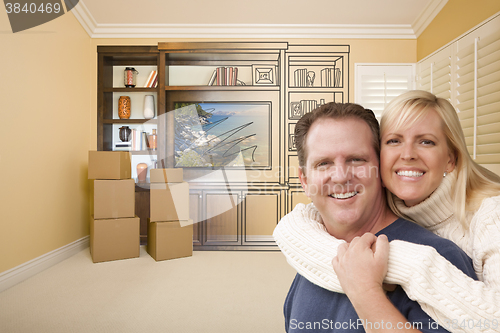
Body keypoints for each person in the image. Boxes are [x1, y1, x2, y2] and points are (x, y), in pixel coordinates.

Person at [274, 91, 500, 333]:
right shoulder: (312, 252)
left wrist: (368, 290)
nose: (340, 176)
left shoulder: (444, 255)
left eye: (356, 160)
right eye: (323, 163)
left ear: (379, 169)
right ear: (304, 180)